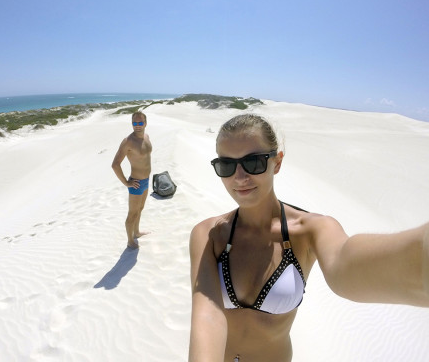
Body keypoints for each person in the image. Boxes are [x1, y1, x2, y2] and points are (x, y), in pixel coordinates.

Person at [189, 113, 429, 362]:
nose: (239, 177)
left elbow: (344, 266)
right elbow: (207, 315)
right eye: (226, 166)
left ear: (277, 162)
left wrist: (421, 255)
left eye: (254, 162)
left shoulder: (310, 230)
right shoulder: (209, 234)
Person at [112, 111, 152, 249]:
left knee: (140, 209)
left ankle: (137, 232)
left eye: (140, 123)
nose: (137, 126)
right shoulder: (128, 141)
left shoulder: (146, 137)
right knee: (132, 214)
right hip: (136, 183)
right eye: (134, 123)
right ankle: (130, 241)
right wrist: (126, 182)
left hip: (146, 180)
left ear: (145, 123)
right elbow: (115, 164)